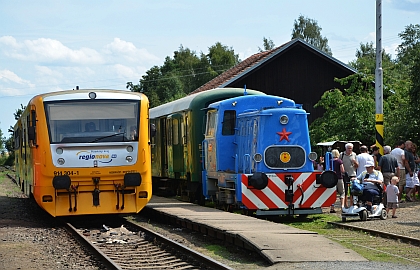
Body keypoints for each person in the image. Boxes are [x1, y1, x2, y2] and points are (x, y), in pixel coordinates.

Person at [340, 143, 358, 208]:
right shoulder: (342, 155)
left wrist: (355, 162)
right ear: (346, 148)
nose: (350, 149)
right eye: (348, 148)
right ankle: (345, 204)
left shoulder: (354, 154)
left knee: (352, 191)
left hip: (352, 174)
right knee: (345, 189)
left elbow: (357, 166)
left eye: (351, 148)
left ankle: (352, 204)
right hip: (344, 175)